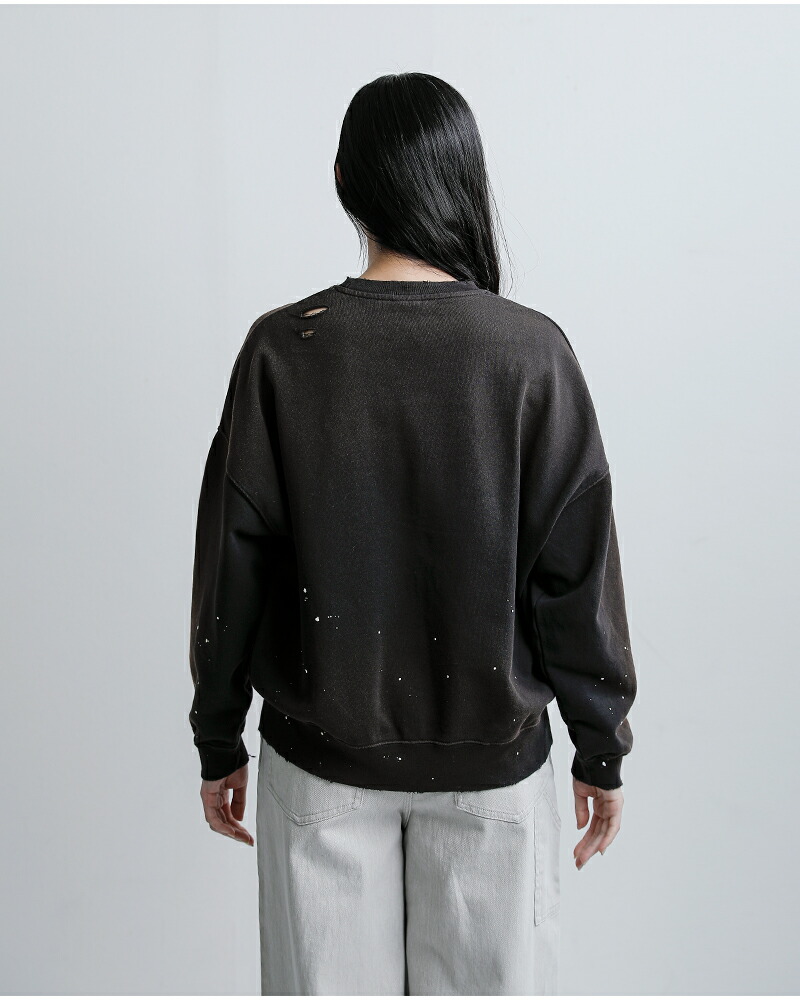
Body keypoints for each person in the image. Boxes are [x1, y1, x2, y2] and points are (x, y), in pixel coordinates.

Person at [188, 72, 637, 997]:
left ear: (345, 181)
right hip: (494, 775)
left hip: (320, 767)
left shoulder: (283, 350)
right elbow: (574, 574)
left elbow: (234, 567)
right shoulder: (531, 353)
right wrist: (600, 747)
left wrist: (219, 736)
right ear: (463, 178)